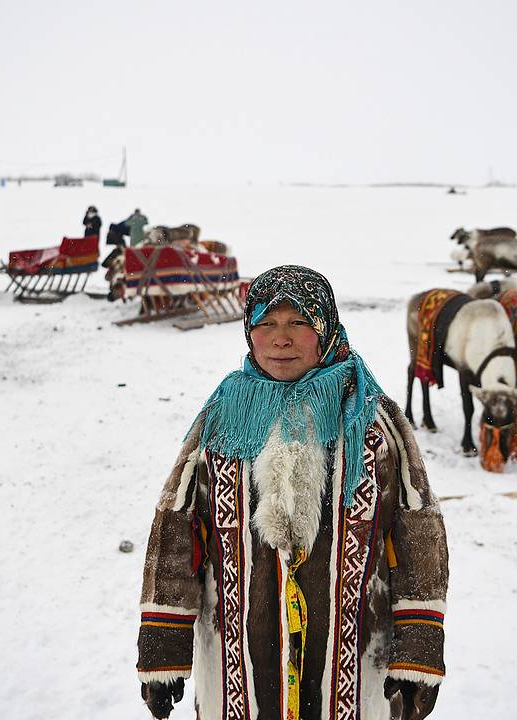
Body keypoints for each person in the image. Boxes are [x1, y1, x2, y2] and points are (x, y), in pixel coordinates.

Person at [136, 265, 448, 720]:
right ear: (249, 333)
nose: (281, 339)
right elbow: (177, 530)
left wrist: (419, 647)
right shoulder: (222, 421)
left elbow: (416, 529)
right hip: (237, 664)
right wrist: (163, 645)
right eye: (266, 324)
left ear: (325, 328)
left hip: (355, 664)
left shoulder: (373, 423)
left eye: (298, 323)